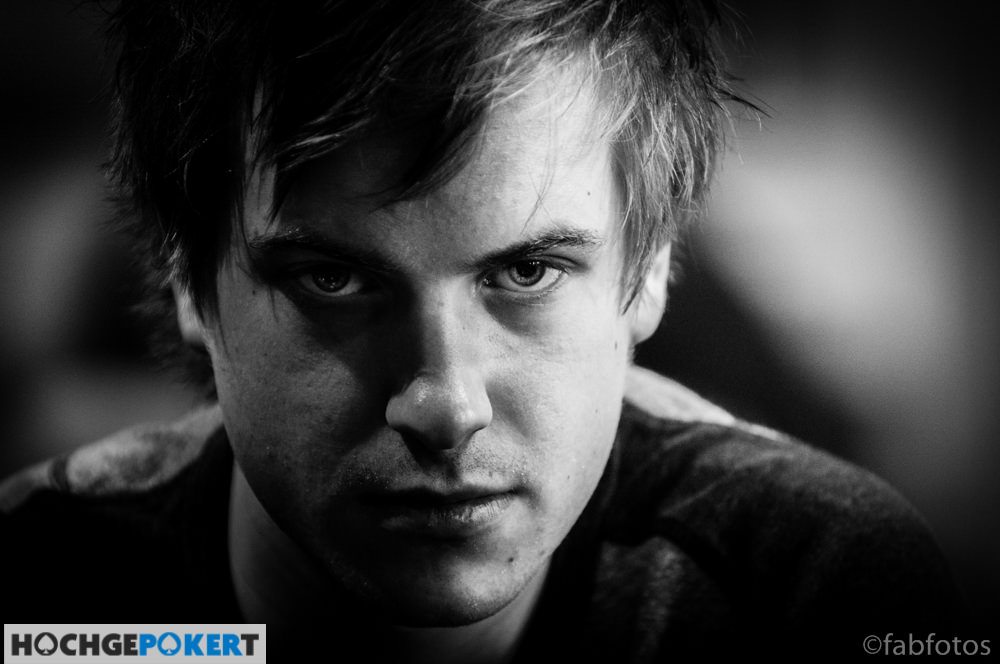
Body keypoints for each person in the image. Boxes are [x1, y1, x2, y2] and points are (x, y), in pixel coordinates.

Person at [1, 0, 963, 660]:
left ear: (649, 271)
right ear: (186, 279)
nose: (444, 406)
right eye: (333, 278)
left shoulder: (814, 592)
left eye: (527, 273)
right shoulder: (43, 600)